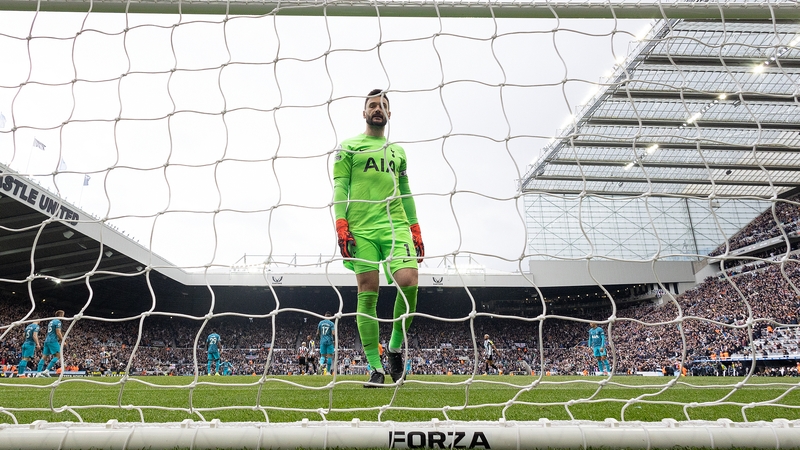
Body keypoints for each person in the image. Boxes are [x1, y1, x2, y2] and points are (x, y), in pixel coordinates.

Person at [333, 89, 425, 388]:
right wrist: (341, 223)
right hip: (361, 227)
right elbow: (340, 187)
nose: (378, 109)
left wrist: (415, 227)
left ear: (389, 113)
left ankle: (396, 348)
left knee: (409, 279)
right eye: (373, 105)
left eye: (383, 106)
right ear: (364, 113)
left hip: (395, 225)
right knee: (367, 289)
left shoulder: (398, 151)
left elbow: (406, 192)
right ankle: (375, 366)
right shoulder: (348, 147)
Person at [37, 310, 65, 377]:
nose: (63, 316)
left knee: (44, 357)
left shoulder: (51, 321)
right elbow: (58, 332)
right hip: (53, 340)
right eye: (63, 315)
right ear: (60, 315)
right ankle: (47, 371)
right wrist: (63, 340)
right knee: (58, 355)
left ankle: (38, 373)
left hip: (47, 340)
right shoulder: (58, 322)